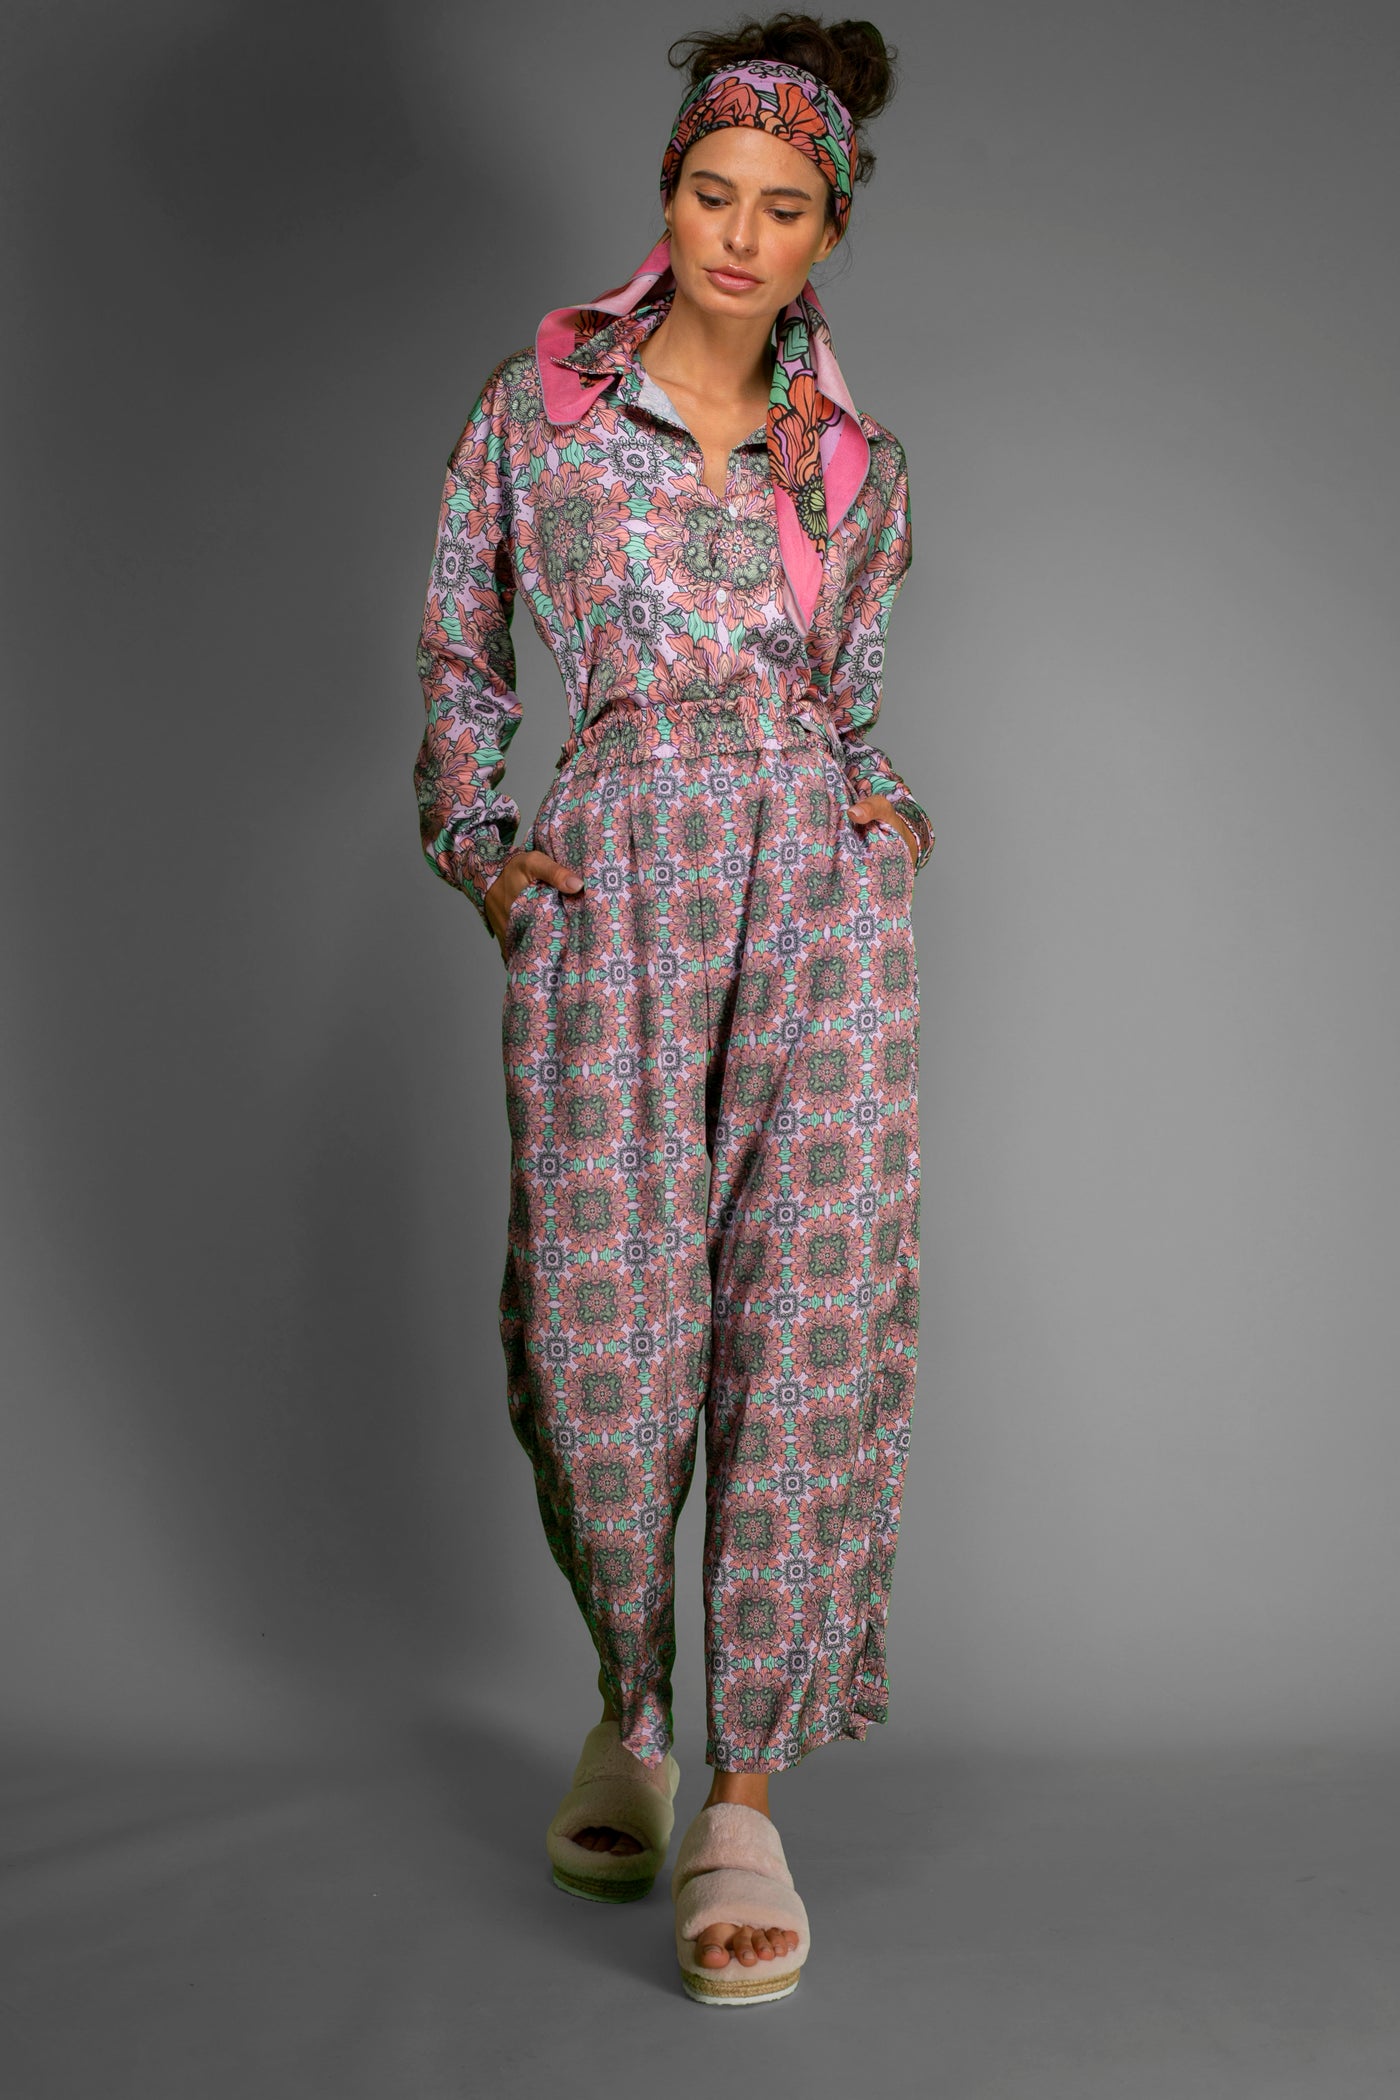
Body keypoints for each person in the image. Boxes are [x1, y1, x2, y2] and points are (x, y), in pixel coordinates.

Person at [412, 11, 932, 2007]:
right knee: (604, 1345)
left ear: (827, 232)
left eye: (781, 208)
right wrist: (482, 847)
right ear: (665, 195)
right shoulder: (537, 417)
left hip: (814, 900)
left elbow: (849, 701)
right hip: (614, 884)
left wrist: (883, 814)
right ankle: (624, 1709)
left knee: (805, 1329)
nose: (738, 233)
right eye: (712, 192)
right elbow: (461, 652)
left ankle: (744, 1795)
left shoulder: (857, 469)